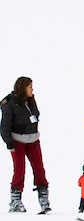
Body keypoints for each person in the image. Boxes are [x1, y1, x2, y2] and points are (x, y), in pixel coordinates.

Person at [1, 76, 50, 213]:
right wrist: (9, 143)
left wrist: (32, 103)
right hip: (17, 141)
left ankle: (44, 197)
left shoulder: (30, 100)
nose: (32, 89)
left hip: (33, 139)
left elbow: (36, 115)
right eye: (30, 87)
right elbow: (4, 126)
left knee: (39, 168)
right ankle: (15, 200)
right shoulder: (9, 104)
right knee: (19, 170)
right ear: (23, 88)